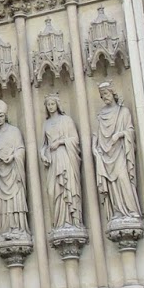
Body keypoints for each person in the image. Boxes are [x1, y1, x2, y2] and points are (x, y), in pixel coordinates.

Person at [92, 82, 141, 222]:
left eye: (106, 94)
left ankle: (131, 210)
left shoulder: (123, 112)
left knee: (123, 178)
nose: (104, 97)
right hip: (105, 153)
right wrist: (93, 147)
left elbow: (130, 130)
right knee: (112, 184)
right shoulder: (101, 114)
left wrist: (120, 135)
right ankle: (118, 211)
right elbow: (96, 133)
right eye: (102, 96)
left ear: (113, 93)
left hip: (119, 151)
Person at [40, 94, 83, 229]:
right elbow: (43, 145)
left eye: (53, 104)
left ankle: (72, 220)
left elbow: (75, 139)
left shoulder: (66, 120)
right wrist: (43, 154)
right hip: (53, 160)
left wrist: (59, 142)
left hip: (65, 157)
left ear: (57, 105)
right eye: (48, 104)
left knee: (68, 187)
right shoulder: (46, 124)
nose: (51, 107)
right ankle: (60, 222)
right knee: (54, 191)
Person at [0, 101, 29, 236]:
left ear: (5, 116)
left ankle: (17, 227)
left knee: (16, 200)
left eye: (1, 116)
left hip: (13, 172)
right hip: (0, 174)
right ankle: (5, 229)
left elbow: (21, 149)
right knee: (1, 202)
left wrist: (12, 158)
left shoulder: (14, 131)